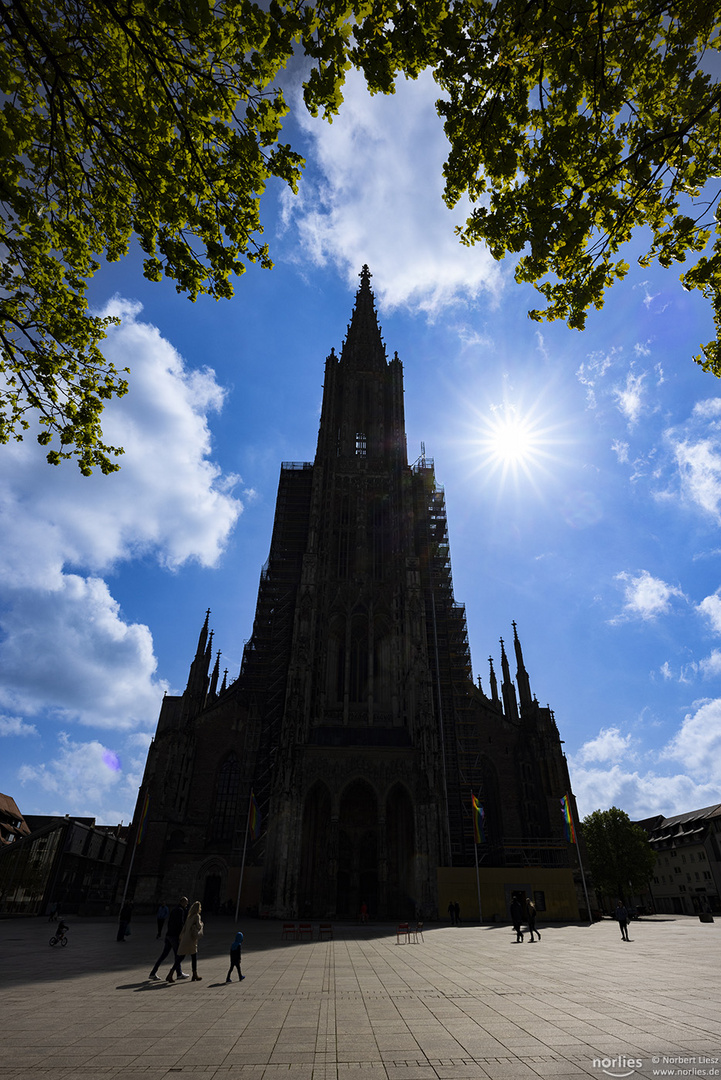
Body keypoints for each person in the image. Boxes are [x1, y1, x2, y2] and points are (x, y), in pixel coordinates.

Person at [148, 896, 188, 981]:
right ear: (183, 902)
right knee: (179, 955)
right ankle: (178, 973)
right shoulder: (180, 911)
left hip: (169, 935)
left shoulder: (174, 909)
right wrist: (181, 935)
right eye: (186, 903)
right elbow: (180, 924)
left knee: (164, 955)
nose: (187, 904)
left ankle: (153, 973)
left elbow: (169, 922)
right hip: (175, 936)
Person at [177, 900, 204, 981]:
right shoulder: (196, 916)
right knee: (193, 957)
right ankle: (194, 974)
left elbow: (184, 928)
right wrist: (202, 924)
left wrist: (180, 937)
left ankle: (171, 973)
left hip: (185, 939)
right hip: (191, 940)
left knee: (181, 957)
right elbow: (199, 927)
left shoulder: (189, 917)